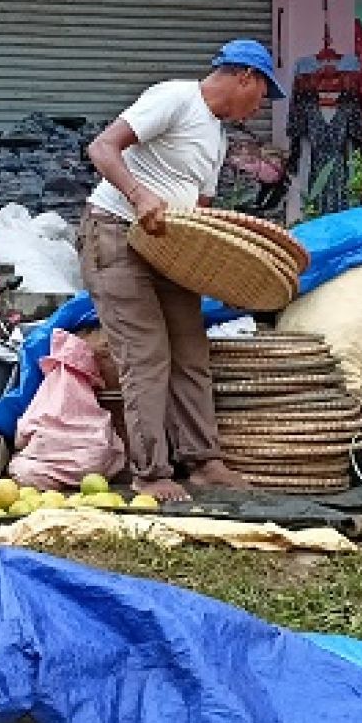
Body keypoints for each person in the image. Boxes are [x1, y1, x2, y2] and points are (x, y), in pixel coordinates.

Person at [81, 40, 285, 502]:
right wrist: (138, 194)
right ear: (245, 78)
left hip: (168, 247)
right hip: (115, 234)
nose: (258, 108)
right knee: (146, 354)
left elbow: (202, 215)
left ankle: (204, 461)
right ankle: (150, 473)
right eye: (261, 95)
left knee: (191, 350)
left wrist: (221, 269)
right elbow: (102, 147)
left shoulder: (216, 136)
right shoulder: (175, 97)